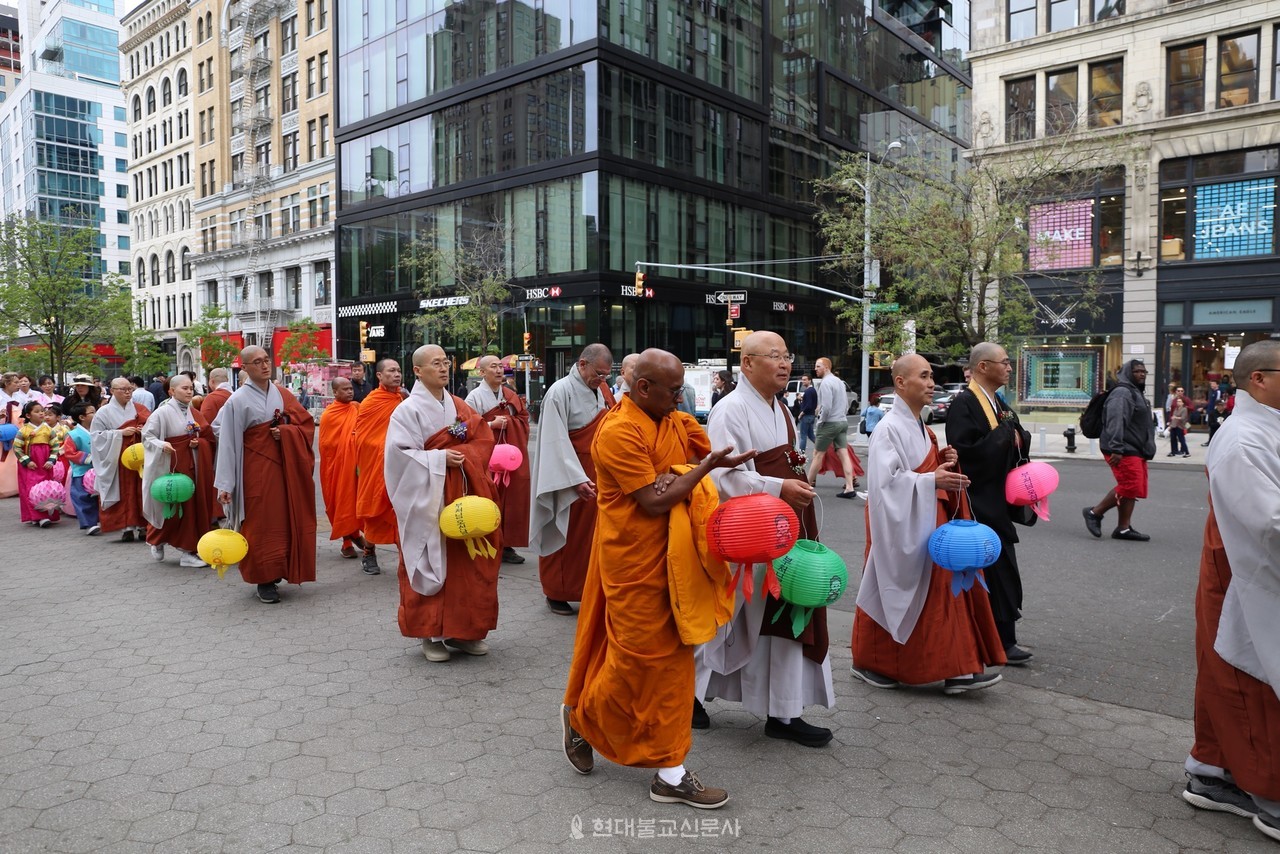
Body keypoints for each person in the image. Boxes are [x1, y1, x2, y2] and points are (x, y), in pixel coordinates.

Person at [561, 348, 752, 808]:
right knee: (636, 660)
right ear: (643, 388)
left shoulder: (671, 419)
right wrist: (694, 472)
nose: (681, 397)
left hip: (677, 557)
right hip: (633, 561)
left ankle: (670, 771)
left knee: (674, 662)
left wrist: (693, 469)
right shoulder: (619, 431)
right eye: (673, 390)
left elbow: (692, 452)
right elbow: (652, 500)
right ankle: (583, 717)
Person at [699, 331, 834, 746]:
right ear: (747, 364)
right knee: (724, 620)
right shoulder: (730, 409)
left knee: (783, 617)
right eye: (773, 356)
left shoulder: (782, 409)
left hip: (783, 528)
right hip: (748, 533)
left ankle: (784, 710)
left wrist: (791, 491)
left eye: (787, 356)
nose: (784, 363)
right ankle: (687, 695)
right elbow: (723, 476)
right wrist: (778, 489)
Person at [852, 354, 1006, 694]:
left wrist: (945, 461)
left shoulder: (920, 426)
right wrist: (929, 480)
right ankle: (877, 662)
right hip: (903, 523)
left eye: (932, 376)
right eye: (924, 376)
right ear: (901, 382)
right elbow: (883, 484)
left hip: (926, 520)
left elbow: (921, 470)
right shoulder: (888, 429)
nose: (932, 383)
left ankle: (957, 669)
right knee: (901, 590)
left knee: (936, 594)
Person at [1181, 340, 1280, 844]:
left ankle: (1212, 769)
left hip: (1242, 566)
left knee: (1229, 672)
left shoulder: (1262, 428)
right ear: (1259, 379)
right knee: (1246, 675)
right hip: (1244, 571)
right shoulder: (1243, 438)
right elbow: (1269, 522)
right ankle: (1268, 795)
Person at [384, 344, 501, 663]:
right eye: (435, 363)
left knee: (466, 566)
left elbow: (482, 439)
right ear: (418, 371)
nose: (444, 367)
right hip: (428, 501)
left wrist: (464, 458)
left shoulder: (460, 406)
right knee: (429, 560)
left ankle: (464, 632)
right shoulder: (406, 411)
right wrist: (438, 458)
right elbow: (399, 456)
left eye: (446, 362)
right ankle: (430, 634)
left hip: (463, 496)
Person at [946, 342, 1035, 665]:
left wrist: (1012, 434)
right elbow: (964, 451)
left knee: (1002, 569)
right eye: (1005, 363)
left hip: (996, 499)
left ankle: (1002, 636)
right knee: (992, 570)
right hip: (978, 502)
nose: (1009, 368)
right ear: (983, 366)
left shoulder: (996, 401)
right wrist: (1004, 435)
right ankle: (996, 639)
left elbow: (1017, 436)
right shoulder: (964, 404)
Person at [213, 346, 317, 605]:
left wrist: (287, 431)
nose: (264, 366)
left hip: (284, 468)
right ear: (244, 368)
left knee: (284, 518)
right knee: (260, 523)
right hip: (255, 470)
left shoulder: (281, 393)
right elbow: (227, 442)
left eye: (266, 360)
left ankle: (282, 568)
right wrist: (226, 484)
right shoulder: (236, 400)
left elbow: (304, 424)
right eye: (257, 362)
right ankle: (263, 578)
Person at [530, 344, 616, 616]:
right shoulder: (559, 391)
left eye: (606, 376)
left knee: (591, 536)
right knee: (567, 529)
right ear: (582, 364)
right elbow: (555, 440)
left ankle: (588, 590)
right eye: (598, 374)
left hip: (598, 471)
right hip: (570, 473)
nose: (602, 380)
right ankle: (557, 590)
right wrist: (576, 479)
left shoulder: (602, 390)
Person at [141, 375, 221, 567]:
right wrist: (162, 444)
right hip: (173, 465)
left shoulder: (193, 412)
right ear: (171, 391)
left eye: (191, 388)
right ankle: (156, 539)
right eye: (184, 388)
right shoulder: (162, 413)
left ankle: (188, 551)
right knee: (173, 506)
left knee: (191, 508)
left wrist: (197, 442)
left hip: (193, 464)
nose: (189, 391)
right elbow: (147, 436)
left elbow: (207, 435)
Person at [465, 355, 532, 565]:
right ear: (482, 372)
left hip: (509, 457)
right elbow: (468, 427)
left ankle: (508, 544)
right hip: (487, 457)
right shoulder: (474, 397)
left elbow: (523, 420)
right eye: (493, 367)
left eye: (501, 366)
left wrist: (510, 422)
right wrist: (490, 424)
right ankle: (489, 540)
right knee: (488, 495)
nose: (499, 370)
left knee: (512, 497)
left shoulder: (510, 394)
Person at [1083, 360, 1156, 542]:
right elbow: (1115, 420)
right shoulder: (1123, 392)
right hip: (1122, 448)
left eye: (1144, 371)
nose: (1142, 374)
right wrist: (1117, 448)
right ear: (1127, 373)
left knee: (1132, 488)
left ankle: (1123, 529)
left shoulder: (1135, 392)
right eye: (1137, 371)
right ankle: (1094, 512)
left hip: (1134, 448)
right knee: (1130, 484)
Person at [319, 377, 379, 571]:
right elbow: (327, 445)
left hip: (357, 465)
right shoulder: (329, 414)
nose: (349, 392)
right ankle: (347, 541)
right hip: (338, 466)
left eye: (350, 388)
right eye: (344, 389)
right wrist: (350, 441)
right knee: (341, 500)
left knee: (355, 500)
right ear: (335, 393)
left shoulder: (356, 407)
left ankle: (356, 536)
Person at [90, 377, 151, 542]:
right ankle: (126, 527)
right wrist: (119, 434)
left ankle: (143, 526)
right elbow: (96, 437)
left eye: (129, 389)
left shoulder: (140, 409)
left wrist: (142, 431)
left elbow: (153, 428)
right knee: (124, 491)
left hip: (139, 457)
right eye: (122, 389)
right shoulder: (103, 412)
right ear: (112, 391)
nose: (127, 392)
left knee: (140, 490)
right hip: (116, 458)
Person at [354, 359, 404, 551]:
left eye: (399, 370)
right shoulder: (371, 402)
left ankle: (405, 556)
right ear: (379, 376)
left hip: (400, 462)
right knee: (375, 505)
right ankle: (369, 552)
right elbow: (364, 438)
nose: (397, 374)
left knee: (400, 508)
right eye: (391, 371)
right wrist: (386, 447)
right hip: (377, 462)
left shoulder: (402, 398)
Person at [806, 357, 861, 498]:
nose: (815, 369)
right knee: (843, 454)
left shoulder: (825, 383)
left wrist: (821, 420)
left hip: (829, 423)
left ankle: (806, 485)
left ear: (826, 367)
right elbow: (846, 405)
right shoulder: (839, 382)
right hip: (842, 421)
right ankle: (849, 487)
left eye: (818, 366)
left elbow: (827, 406)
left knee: (818, 454)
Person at [13, 400, 63, 528]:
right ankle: (38, 516)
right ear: (28, 415)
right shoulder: (23, 430)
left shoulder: (48, 429)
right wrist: (27, 461)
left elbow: (55, 446)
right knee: (31, 489)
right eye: (37, 411)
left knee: (46, 488)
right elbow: (17, 448)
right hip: (31, 464)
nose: (41, 414)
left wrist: (51, 460)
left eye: (42, 411)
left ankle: (47, 514)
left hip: (44, 464)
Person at [61, 402, 100, 535]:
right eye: (92, 412)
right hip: (82, 471)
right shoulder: (74, 434)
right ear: (82, 417)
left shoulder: (99, 430)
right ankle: (89, 523)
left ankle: (102, 520)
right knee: (83, 497)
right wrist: (89, 458)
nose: (96, 414)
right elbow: (69, 452)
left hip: (99, 470)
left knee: (100, 497)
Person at [797, 375, 817, 451]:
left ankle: (801, 454)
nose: (803, 381)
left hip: (806, 416)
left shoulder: (808, 391)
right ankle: (822, 448)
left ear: (810, 380)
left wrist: (801, 414)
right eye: (802, 380)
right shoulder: (813, 390)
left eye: (805, 380)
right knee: (811, 435)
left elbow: (808, 405)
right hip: (811, 415)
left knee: (803, 436)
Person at [1168, 392, 1190, 457]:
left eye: (1180, 401)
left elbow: (1183, 418)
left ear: (1183, 403)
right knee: (1172, 439)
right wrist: (1170, 425)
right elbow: (1173, 417)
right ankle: (1173, 451)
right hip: (1174, 426)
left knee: (1181, 440)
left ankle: (1186, 452)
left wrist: (1176, 417)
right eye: (1177, 401)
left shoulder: (1184, 409)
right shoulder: (1176, 409)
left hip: (1180, 426)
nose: (1178, 403)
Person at [1202, 380, 1223, 446]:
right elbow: (1210, 402)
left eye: (1213, 384)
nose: (1212, 385)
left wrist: (1215, 411)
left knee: (1213, 426)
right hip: (1209, 411)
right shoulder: (1212, 392)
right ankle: (1210, 440)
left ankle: (1212, 441)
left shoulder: (1218, 392)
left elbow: (1217, 402)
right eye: (1211, 384)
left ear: (1217, 385)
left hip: (1213, 412)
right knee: (1209, 426)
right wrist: (1204, 408)